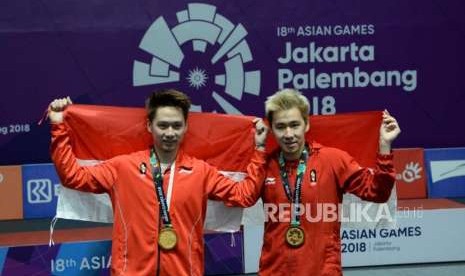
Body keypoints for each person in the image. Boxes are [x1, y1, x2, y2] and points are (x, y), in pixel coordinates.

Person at [48, 89, 269, 275]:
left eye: (176, 126)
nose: (170, 133)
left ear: (186, 128)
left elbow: (245, 195)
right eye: (163, 126)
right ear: (149, 126)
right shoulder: (123, 168)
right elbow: (73, 176)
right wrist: (59, 126)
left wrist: (259, 148)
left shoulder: (201, 172)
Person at [252, 89, 400, 275]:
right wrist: (258, 147)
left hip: (323, 271)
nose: (288, 134)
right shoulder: (263, 165)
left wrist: (384, 145)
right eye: (280, 127)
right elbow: (242, 198)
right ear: (271, 129)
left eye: (294, 125)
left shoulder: (333, 160)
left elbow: (378, 193)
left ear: (306, 125)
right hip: (274, 271)